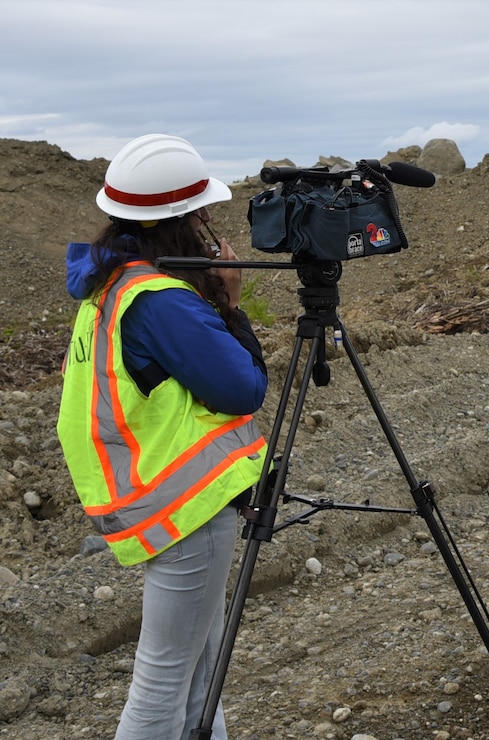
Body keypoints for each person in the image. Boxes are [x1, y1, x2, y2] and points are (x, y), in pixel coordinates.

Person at [56, 133, 269, 738]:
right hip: (185, 504)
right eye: (201, 212)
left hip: (154, 492)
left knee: (202, 676)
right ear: (181, 218)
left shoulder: (113, 283)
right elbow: (242, 389)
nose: (208, 224)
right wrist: (230, 303)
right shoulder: (159, 300)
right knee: (163, 681)